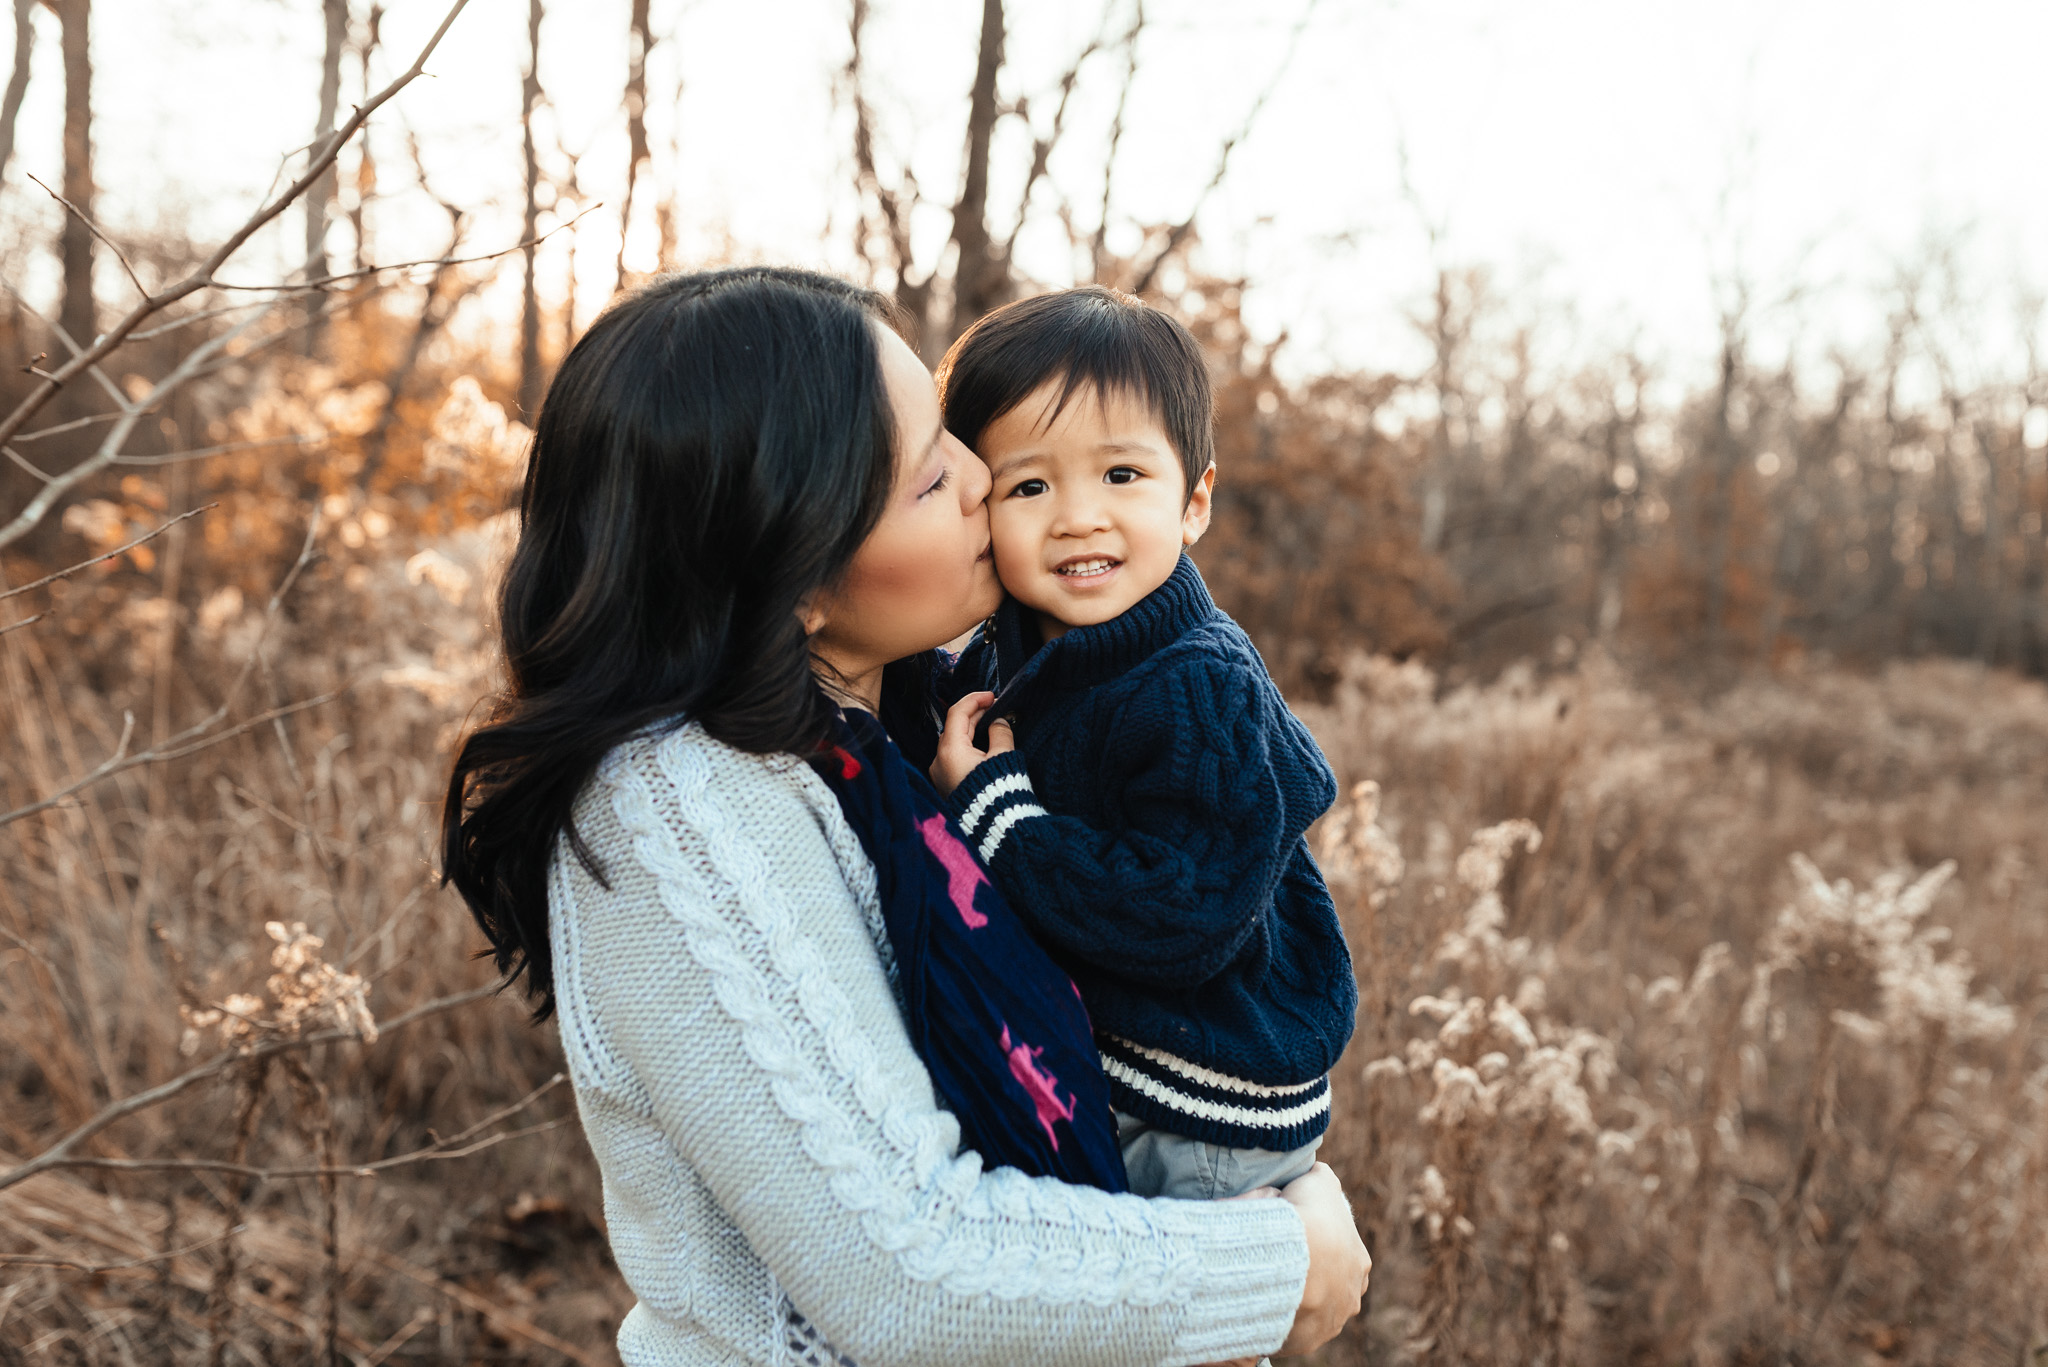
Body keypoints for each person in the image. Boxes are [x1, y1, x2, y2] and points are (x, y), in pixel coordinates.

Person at [441, 266, 1368, 1366]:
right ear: (796, 574)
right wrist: (1279, 1264)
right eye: (932, 475)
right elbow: (912, 1275)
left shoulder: (925, 710)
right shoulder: (679, 812)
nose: (987, 478)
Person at [927, 286, 1356, 1201]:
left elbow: (1185, 912)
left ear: (1194, 499)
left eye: (1122, 476)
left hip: (1193, 1112)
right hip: (1125, 1075)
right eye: (1030, 485)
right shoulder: (1026, 644)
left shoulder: (1196, 681)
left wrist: (1003, 820)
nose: (1079, 515)